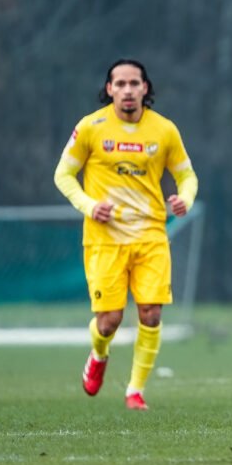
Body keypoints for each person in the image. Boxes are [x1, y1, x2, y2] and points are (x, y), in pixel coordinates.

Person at [54, 60, 198, 411]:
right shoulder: (91, 127)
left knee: (151, 314)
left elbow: (187, 176)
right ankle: (98, 354)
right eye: (120, 84)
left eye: (134, 83)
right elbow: (63, 175)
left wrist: (185, 198)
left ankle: (135, 390)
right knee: (109, 321)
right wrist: (89, 206)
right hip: (105, 239)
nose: (128, 90)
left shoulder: (164, 130)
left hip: (151, 235)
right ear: (109, 89)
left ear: (145, 88)